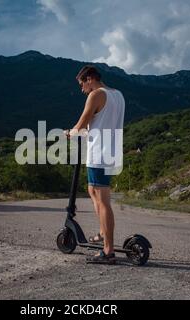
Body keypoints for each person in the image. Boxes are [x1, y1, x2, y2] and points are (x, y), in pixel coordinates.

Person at [65, 65, 125, 265]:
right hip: (111, 152)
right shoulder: (118, 95)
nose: (82, 89)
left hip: (99, 154)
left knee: (103, 200)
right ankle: (102, 231)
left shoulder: (96, 95)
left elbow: (82, 123)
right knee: (92, 191)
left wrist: (70, 133)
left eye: (82, 84)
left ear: (89, 79)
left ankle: (108, 251)